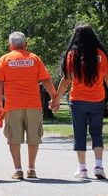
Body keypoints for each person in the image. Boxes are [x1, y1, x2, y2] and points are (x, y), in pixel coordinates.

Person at [0, 31, 56, 179]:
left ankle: (18, 170)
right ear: (25, 45)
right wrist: (55, 98)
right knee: (34, 137)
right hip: (33, 105)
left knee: (14, 138)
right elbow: (46, 80)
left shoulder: (5, 59)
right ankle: (31, 169)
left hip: (12, 105)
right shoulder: (34, 59)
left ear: (10, 46)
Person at [50, 24, 107, 179]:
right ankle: (99, 166)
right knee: (97, 133)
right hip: (98, 99)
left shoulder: (73, 54)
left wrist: (55, 99)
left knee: (79, 134)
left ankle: (82, 169)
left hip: (78, 100)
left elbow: (66, 80)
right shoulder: (101, 54)